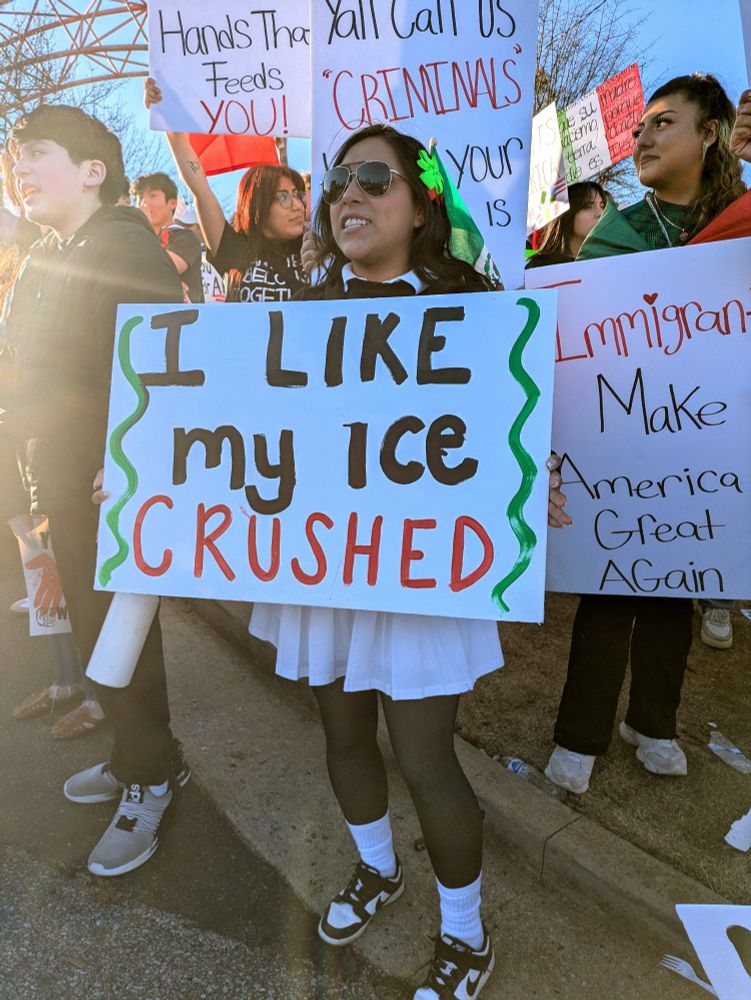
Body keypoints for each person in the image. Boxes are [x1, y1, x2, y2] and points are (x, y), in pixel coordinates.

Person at [247, 123, 570, 1000]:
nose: (346, 193)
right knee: (343, 731)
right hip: (323, 567)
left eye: (372, 178)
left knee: (424, 757)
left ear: (421, 205)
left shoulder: (475, 304)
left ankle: (464, 935)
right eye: (337, 180)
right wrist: (141, 475)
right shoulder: (294, 312)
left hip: (421, 576)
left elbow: (512, 426)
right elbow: (234, 432)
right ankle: (377, 867)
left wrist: (525, 479)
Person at [545, 73, 751, 796]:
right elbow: (588, 325)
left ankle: (652, 723)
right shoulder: (619, 228)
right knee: (609, 592)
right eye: (640, 127)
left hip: (708, 443)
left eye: (665, 123)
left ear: (711, 135)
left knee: (680, 589)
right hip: (624, 436)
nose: (642, 137)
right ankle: (578, 736)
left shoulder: (740, 217)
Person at [2, 104, 190, 875]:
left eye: (35, 152)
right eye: (13, 156)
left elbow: (163, 361)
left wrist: (132, 457)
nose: (18, 167)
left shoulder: (124, 246)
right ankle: (141, 754)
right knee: (92, 626)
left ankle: (151, 776)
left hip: (107, 487)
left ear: (92, 170)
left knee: (122, 635)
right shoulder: (49, 253)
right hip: (62, 482)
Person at [143, 78, 307, 303]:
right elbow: (200, 189)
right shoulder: (234, 249)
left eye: (298, 195)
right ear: (257, 203)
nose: (298, 205)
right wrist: (171, 122)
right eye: (284, 197)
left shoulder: (315, 250)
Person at [131, 171, 204, 304]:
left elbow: (159, 271)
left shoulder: (185, 237)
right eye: (140, 197)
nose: (144, 203)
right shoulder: (131, 237)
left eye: (152, 196)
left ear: (172, 203)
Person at [525, 181, 610, 268]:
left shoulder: (611, 261)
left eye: (602, 206)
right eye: (587, 206)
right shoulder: (539, 268)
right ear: (567, 215)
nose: (600, 213)